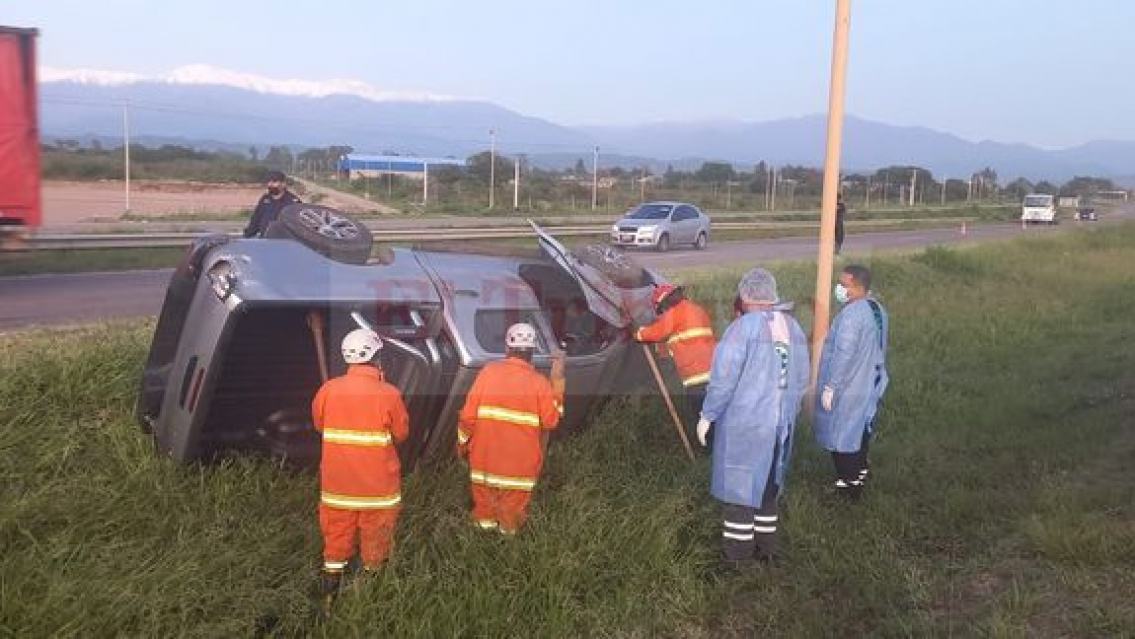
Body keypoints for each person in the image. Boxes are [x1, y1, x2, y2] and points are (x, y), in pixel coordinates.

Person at [697, 267, 809, 568]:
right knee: (769, 485)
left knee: (740, 488)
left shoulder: (742, 328)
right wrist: (791, 410)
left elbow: (723, 379)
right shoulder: (792, 327)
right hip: (780, 424)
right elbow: (801, 378)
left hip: (746, 424)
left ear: (745, 295)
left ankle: (738, 558)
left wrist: (708, 414)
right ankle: (767, 549)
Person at [311, 328, 410, 610]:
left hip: (337, 488)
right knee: (376, 537)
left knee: (336, 536)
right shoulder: (389, 394)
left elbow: (319, 424)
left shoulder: (328, 390)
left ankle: (329, 595)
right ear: (377, 358)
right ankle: (370, 594)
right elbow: (401, 433)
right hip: (378, 489)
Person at [457, 322, 562, 535]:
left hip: (484, 463)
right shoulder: (540, 383)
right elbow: (551, 421)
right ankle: (506, 545)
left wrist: (461, 445)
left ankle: (480, 542)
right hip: (519, 469)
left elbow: (467, 417)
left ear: (507, 348)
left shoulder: (488, 373)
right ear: (532, 351)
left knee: (484, 511)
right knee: (510, 518)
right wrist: (558, 384)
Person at [814, 264, 889, 502]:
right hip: (870, 380)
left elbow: (843, 354)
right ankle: (861, 471)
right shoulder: (876, 308)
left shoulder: (851, 316)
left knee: (841, 435)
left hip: (849, 386)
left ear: (858, 287)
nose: (839, 288)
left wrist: (831, 387)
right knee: (861, 429)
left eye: (843, 285)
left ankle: (849, 485)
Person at [634, 283, 716, 443]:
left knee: (704, 422)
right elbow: (685, 339)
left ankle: (710, 451)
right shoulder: (696, 310)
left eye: (661, 310)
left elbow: (655, 332)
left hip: (697, 378)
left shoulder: (676, 312)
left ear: (665, 303)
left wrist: (638, 333)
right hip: (715, 374)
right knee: (716, 417)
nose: (663, 314)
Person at [243, 170, 301, 238]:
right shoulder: (265, 199)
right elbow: (255, 220)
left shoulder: (292, 202)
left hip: (284, 240)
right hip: (265, 239)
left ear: (283, 184)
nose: (270, 184)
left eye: (274, 182)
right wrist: (247, 235)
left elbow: (298, 225)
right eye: (269, 182)